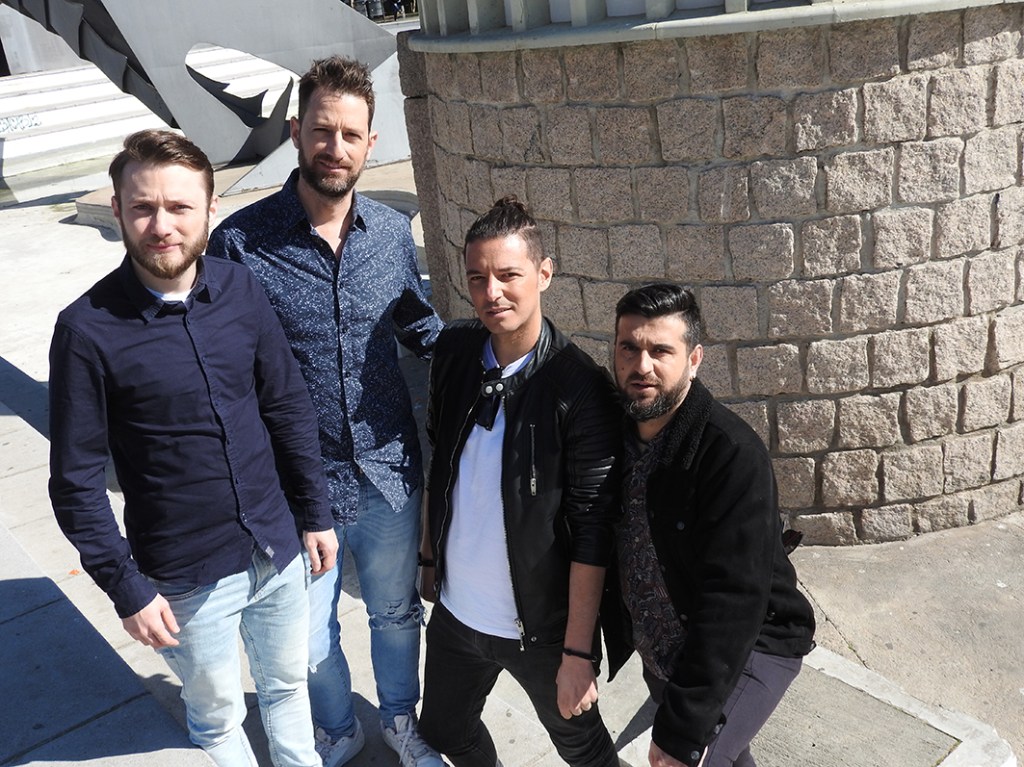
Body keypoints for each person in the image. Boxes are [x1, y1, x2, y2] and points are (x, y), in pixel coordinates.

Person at [48, 129, 339, 767]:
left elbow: (287, 406)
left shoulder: (241, 288)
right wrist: (125, 587)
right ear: (117, 210)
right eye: (143, 207)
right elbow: (75, 482)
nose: (161, 226)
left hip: (277, 546)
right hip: (186, 575)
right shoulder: (86, 330)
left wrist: (314, 513)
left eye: (179, 206)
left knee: (288, 687)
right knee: (218, 719)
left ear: (210, 209)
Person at [206, 56, 444, 767]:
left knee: (396, 613)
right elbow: (220, 366)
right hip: (296, 487)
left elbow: (419, 326)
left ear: (371, 143)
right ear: (295, 131)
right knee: (307, 637)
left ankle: (400, 721)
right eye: (321, 130)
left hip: (387, 473)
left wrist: (498, 352)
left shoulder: (391, 233)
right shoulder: (241, 242)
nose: (334, 146)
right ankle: (338, 728)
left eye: (350, 134)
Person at [418, 196, 622, 767]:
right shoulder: (456, 352)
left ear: (544, 273)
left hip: (540, 631)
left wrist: (578, 653)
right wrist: (429, 557)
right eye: (477, 278)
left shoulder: (578, 388)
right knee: (445, 731)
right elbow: (441, 461)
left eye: (508, 275)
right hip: (457, 616)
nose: (492, 293)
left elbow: (592, 532)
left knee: (586, 754)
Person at [603, 283, 816, 767]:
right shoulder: (612, 432)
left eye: (661, 351)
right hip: (663, 653)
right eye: (628, 348)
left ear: (694, 359)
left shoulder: (731, 455)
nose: (641, 366)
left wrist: (684, 725)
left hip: (747, 648)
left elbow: (733, 600)